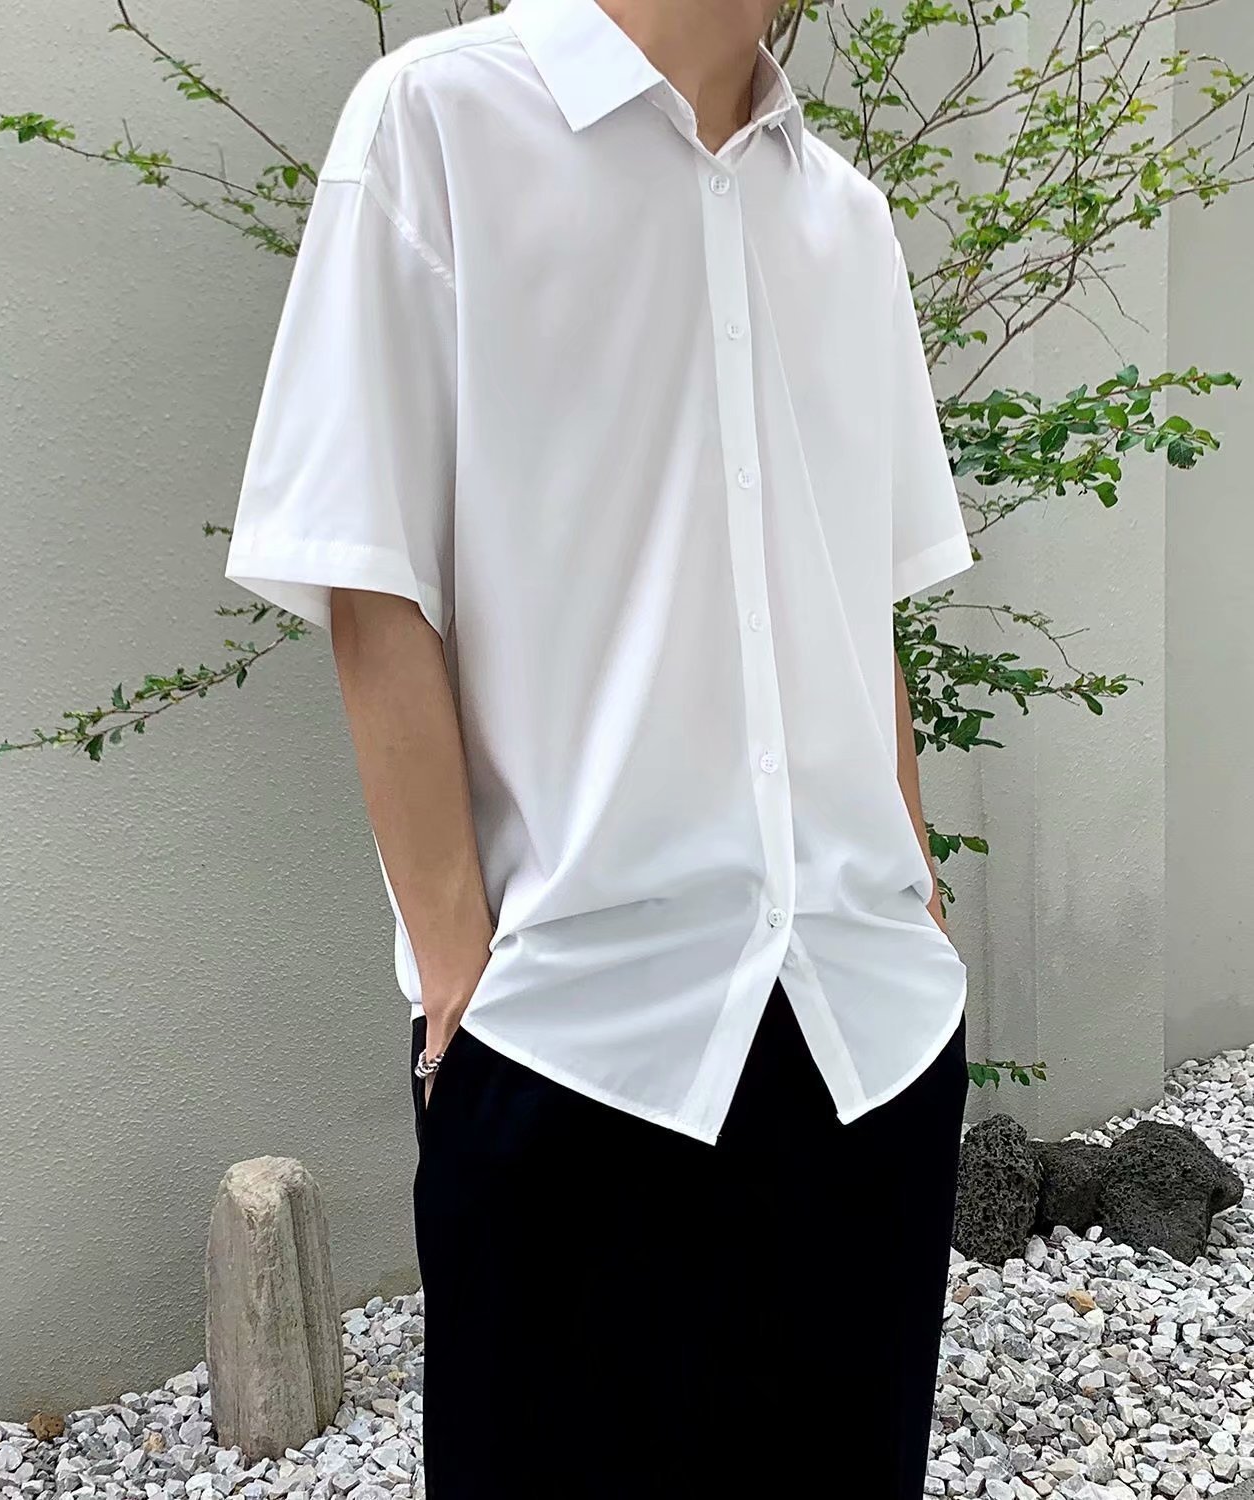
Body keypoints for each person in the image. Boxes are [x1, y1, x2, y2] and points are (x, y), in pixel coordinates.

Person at [224, 0, 974, 1493]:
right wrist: (460, 967)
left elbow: (865, 598)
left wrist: (916, 887)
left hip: (866, 1032)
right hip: (571, 1045)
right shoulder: (438, 125)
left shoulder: (846, 219)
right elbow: (367, 575)